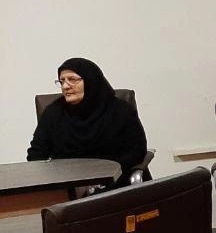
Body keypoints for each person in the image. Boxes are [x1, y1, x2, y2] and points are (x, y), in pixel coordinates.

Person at [27, 57, 148, 187]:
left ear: (91, 81)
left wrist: (106, 174)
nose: (65, 86)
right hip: (69, 185)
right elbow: (36, 154)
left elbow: (137, 150)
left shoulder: (120, 111)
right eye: (61, 81)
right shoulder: (53, 113)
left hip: (113, 181)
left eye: (72, 80)